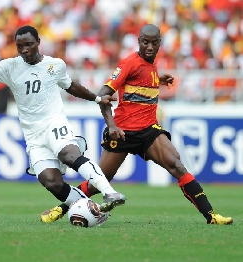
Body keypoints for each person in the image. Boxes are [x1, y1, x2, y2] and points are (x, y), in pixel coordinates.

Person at [43, 24, 233, 225]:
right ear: (139, 42)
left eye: (154, 42)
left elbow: (140, 81)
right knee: (99, 182)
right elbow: (102, 95)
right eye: (145, 42)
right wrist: (112, 126)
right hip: (123, 133)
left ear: (160, 43)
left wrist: (158, 80)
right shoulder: (128, 63)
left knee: (177, 165)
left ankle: (211, 216)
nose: (149, 47)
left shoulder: (151, 65)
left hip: (149, 131)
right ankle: (61, 208)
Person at [0, 25, 126, 223]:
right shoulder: (10, 67)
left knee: (69, 155)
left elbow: (71, 86)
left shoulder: (55, 65)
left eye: (29, 45)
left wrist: (96, 99)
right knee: (50, 181)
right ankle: (94, 211)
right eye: (20, 46)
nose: (25, 49)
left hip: (54, 122)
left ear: (38, 43)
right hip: (33, 135)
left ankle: (109, 192)